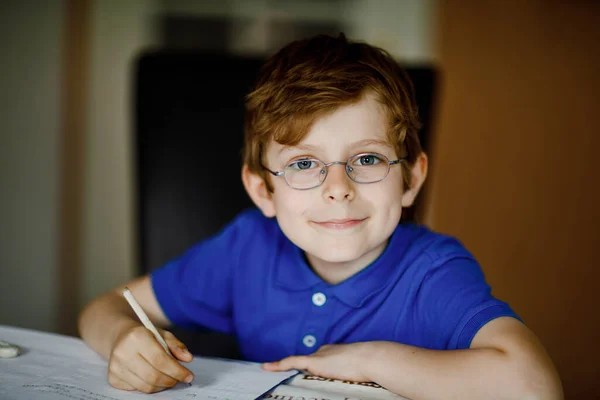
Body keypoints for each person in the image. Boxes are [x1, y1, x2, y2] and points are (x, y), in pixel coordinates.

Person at [78, 33, 562, 399]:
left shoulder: (432, 272)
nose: (337, 189)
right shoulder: (247, 247)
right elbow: (102, 310)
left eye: (367, 159)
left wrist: (372, 360)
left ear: (412, 179)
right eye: (303, 164)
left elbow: (535, 385)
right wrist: (124, 339)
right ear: (263, 190)